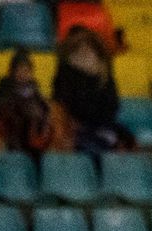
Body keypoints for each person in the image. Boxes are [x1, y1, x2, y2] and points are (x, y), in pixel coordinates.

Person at [53, 26, 129, 158]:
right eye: (79, 51)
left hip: (102, 128)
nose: (85, 54)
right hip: (74, 130)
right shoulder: (66, 76)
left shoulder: (105, 77)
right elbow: (63, 105)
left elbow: (112, 107)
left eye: (89, 50)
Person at [0, 48, 53, 156]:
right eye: (19, 70)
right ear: (12, 72)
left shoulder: (35, 93)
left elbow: (45, 112)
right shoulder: (4, 90)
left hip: (34, 141)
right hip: (9, 140)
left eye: (26, 70)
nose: (23, 74)